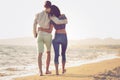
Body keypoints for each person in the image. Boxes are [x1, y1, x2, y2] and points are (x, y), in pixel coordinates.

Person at [33, 1, 67, 76]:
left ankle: (41, 72)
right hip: (51, 35)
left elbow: (34, 24)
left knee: (40, 54)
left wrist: (35, 33)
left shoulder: (39, 15)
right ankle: (48, 70)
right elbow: (57, 23)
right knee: (50, 53)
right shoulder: (52, 16)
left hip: (42, 35)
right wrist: (64, 20)